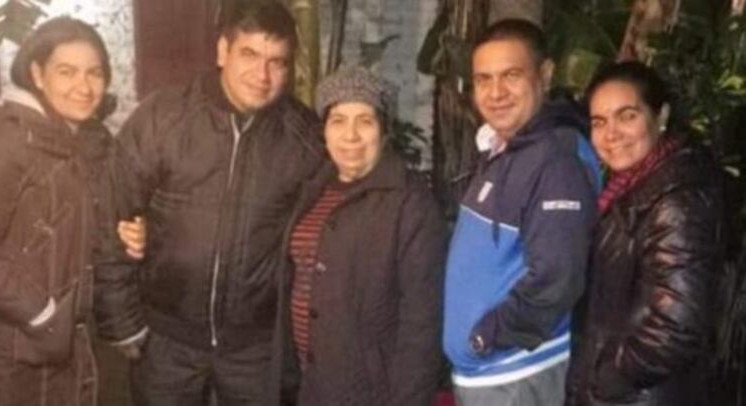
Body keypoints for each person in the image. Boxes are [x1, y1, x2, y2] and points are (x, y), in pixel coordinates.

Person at [92, 2, 324, 405]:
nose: (262, 75)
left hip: (256, 346)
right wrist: (122, 322)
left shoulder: (304, 139)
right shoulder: (162, 118)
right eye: (249, 54)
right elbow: (113, 214)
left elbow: (335, 220)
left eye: (277, 62)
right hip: (165, 338)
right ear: (222, 51)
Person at [0, 17, 118, 405]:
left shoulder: (81, 140)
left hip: (63, 343)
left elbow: (65, 226)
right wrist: (42, 313)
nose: (84, 87)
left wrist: (124, 233)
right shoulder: (3, 137)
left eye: (94, 73)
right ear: (37, 74)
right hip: (9, 349)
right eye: (67, 72)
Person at [442, 18, 600, 405]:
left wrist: (486, 337)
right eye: (483, 79)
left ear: (544, 75)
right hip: (490, 375)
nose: (496, 92)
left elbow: (557, 280)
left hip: (517, 374)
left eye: (511, 75)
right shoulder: (505, 150)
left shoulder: (556, 162)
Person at [284, 66, 446, 405]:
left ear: (384, 132)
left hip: (370, 392)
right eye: (338, 121)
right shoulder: (311, 189)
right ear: (324, 130)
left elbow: (422, 323)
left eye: (365, 121)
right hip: (308, 385)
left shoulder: (410, 203)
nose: (351, 135)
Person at [565, 61, 723, 406]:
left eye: (627, 116)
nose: (611, 133)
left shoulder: (675, 201)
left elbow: (677, 326)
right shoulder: (633, 187)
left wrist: (607, 379)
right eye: (599, 122)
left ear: (660, 116)